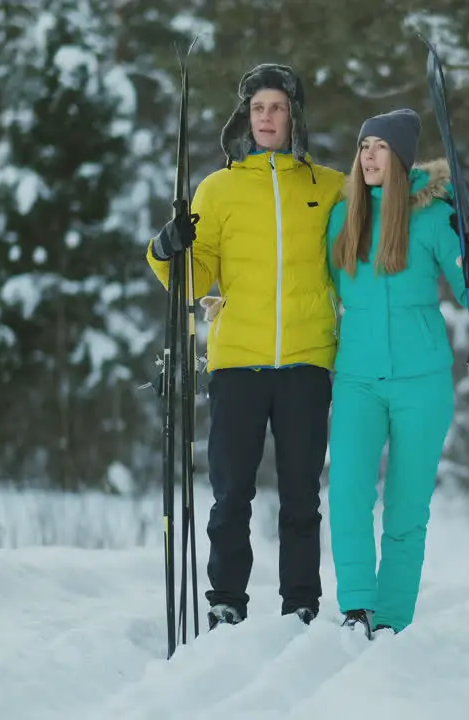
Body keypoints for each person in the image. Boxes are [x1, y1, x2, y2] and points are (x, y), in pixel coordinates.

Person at [145, 63, 346, 629]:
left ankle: (300, 602)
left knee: (302, 496)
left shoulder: (330, 187)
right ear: (245, 117)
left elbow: (375, 225)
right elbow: (194, 277)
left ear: (294, 116)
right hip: (237, 363)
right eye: (258, 108)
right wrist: (167, 249)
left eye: (277, 107)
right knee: (231, 493)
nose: (266, 117)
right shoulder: (219, 188)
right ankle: (226, 598)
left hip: (308, 360)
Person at [324, 108, 469, 638]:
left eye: (379, 147)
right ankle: (358, 606)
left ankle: (393, 618)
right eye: (363, 147)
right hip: (356, 378)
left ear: (400, 158)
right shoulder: (342, 217)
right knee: (348, 493)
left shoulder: (431, 216)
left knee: (406, 506)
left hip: (422, 381)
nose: (368, 156)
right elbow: (318, 287)